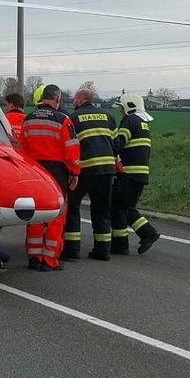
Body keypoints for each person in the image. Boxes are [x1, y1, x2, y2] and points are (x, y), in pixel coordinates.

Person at [19, 84, 80, 271]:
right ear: (58, 99)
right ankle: (49, 260)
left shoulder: (28, 119)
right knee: (56, 215)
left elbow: (21, 148)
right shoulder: (63, 120)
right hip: (56, 171)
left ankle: (34, 257)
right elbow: (72, 150)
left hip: (34, 170)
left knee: (36, 214)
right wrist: (74, 173)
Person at [62, 88, 116, 260]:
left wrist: (70, 170)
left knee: (73, 207)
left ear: (80, 99)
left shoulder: (74, 118)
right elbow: (116, 144)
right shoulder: (108, 116)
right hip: (107, 170)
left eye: (74, 98)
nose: (73, 101)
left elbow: (70, 146)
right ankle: (103, 251)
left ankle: (72, 250)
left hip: (84, 170)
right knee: (102, 210)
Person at [111, 92, 160, 255]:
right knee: (127, 207)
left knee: (118, 208)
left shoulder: (129, 121)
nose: (120, 111)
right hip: (140, 174)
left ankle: (120, 244)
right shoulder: (142, 123)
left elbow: (118, 144)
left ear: (129, 107)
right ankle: (148, 233)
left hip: (128, 174)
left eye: (121, 108)